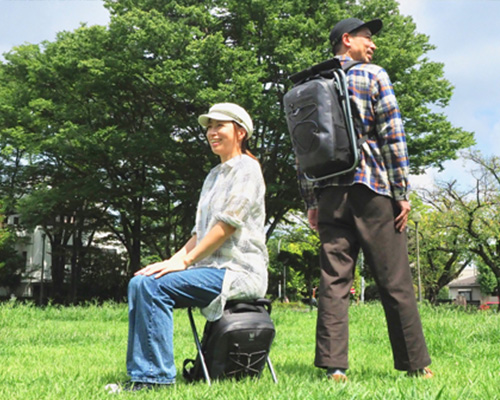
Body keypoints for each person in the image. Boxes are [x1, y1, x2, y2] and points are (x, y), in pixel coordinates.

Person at [297, 18, 432, 382]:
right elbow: (393, 135)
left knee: (333, 280)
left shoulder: (310, 86)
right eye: (367, 38)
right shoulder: (373, 76)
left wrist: (311, 202)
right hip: (371, 188)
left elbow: (303, 149)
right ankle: (415, 365)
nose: (373, 45)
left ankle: (334, 367)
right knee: (394, 279)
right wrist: (401, 192)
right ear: (347, 39)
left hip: (328, 194)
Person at [106, 103, 268, 392]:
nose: (211, 132)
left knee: (152, 287)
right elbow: (200, 233)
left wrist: (186, 261)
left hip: (238, 272)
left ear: (240, 132)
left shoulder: (247, 169)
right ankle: (147, 374)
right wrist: (172, 261)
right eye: (209, 127)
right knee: (142, 281)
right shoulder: (213, 176)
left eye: (220, 126)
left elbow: (227, 225)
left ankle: (153, 379)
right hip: (210, 269)